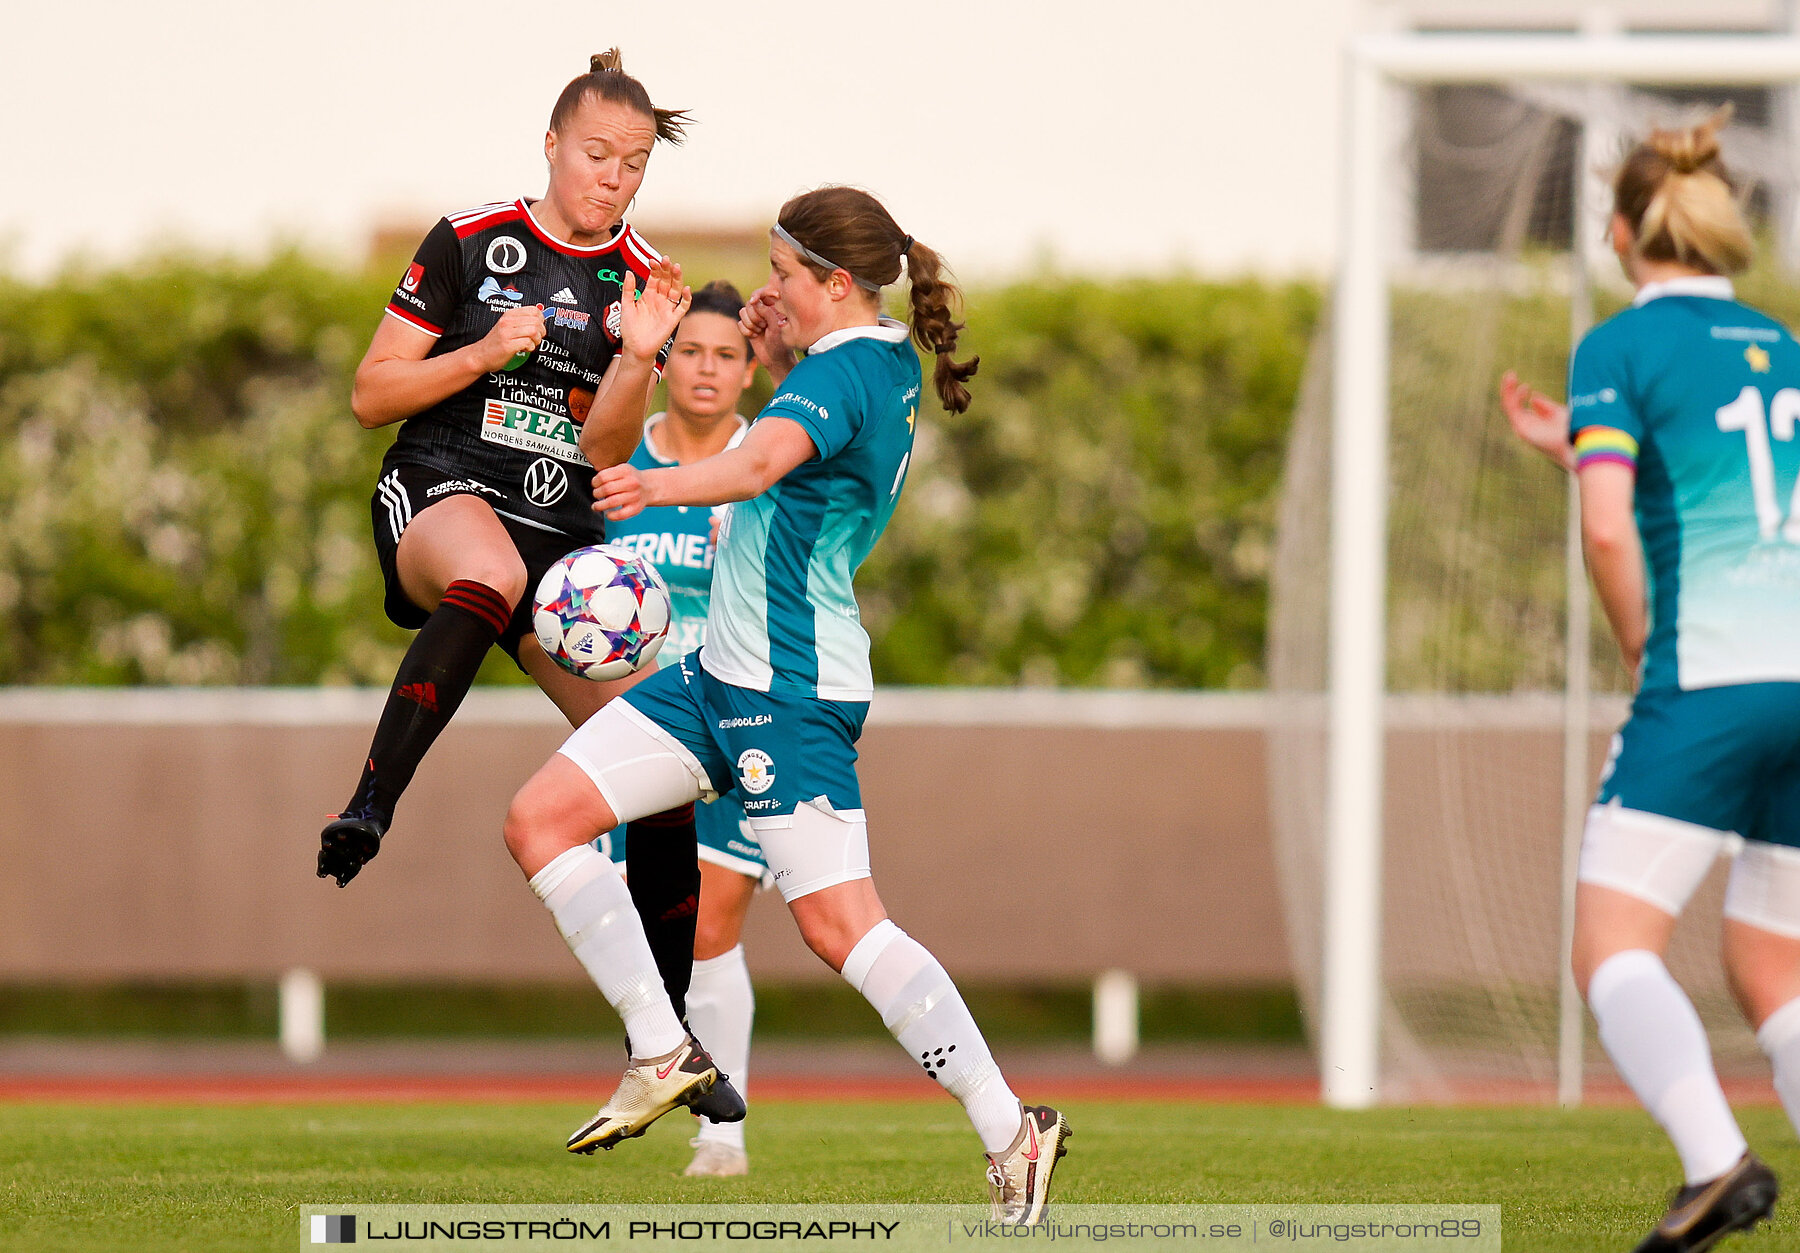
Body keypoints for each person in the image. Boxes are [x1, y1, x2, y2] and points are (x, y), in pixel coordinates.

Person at [501, 186, 1071, 1224]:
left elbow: (762, 459)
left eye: (781, 275)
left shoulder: (849, 370)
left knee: (840, 925)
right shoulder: (874, 358)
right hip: (716, 676)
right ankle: (662, 1044)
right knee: (541, 820)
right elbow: (794, 455)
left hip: (789, 692)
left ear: (835, 282)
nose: (767, 290)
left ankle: (1010, 1125)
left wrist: (649, 485)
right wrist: (773, 351)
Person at [317, 51, 740, 1119]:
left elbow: (604, 449)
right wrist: (481, 354)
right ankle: (372, 802)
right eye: (597, 154)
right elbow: (371, 393)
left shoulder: (643, 280)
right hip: (443, 485)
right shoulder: (469, 243)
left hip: (560, 526)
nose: (613, 178)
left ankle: (671, 1037)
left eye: (634, 164)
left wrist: (640, 357)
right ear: (551, 145)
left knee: (657, 747)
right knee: (491, 570)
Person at [1500, 111, 1798, 1253]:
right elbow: (1741, 481)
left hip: (1708, 680)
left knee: (1611, 944)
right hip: (1799, 679)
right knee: (1773, 959)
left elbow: (1614, 530)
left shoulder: (1617, 348)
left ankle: (1718, 1162)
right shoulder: (1780, 342)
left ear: (1623, 232)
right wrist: (1579, 442)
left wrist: (1640, 642)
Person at [598, 280, 768, 1178]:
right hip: (645, 726)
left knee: (711, 930)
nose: (707, 369)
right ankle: (662, 1058)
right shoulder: (622, 459)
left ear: (750, 370)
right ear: (665, 364)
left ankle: (724, 1132)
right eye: (691, 351)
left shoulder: (768, 459)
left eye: (726, 354)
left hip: (739, 723)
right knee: (640, 919)